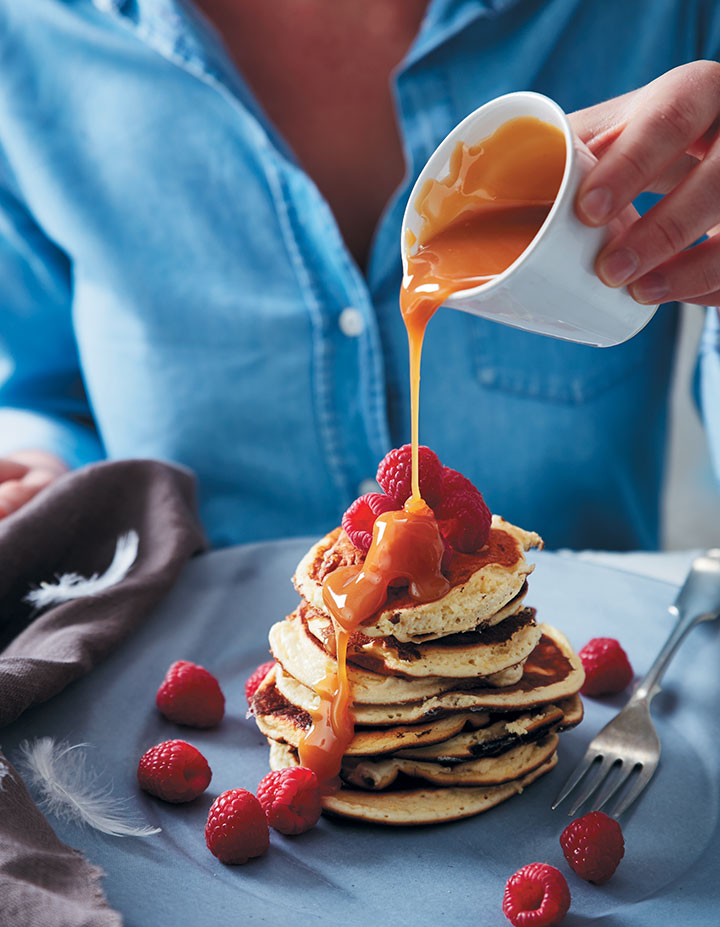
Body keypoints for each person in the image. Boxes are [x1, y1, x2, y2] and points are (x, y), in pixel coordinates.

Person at [1, 0, 719, 551]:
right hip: (199, 715)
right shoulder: (34, 36)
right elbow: (50, 385)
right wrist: (45, 472)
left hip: (581, 712)